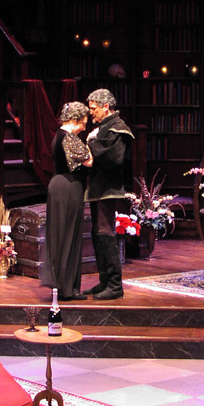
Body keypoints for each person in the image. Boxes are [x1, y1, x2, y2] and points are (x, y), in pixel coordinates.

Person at [83, 89, 134, 300]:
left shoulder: (118, 128)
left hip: (108, 188)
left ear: (106, 107)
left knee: (105, 231)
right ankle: (105, 280)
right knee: (97, 232)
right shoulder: (104, 127)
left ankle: (115, 285)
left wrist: (92, 141)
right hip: (98, 187)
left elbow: (113, 159)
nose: (91, 113)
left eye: (94, 109)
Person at [42, 102, 93, 301]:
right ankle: (67, 288)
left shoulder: (58, 135)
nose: (84, 127)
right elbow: (89, 160)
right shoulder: (69, 137)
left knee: (62, 234)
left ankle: (64, 286)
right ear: (73, 119)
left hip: (60, 185)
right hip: (68, 187)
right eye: (83, 123)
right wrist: (91, 141)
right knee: (68, 234)